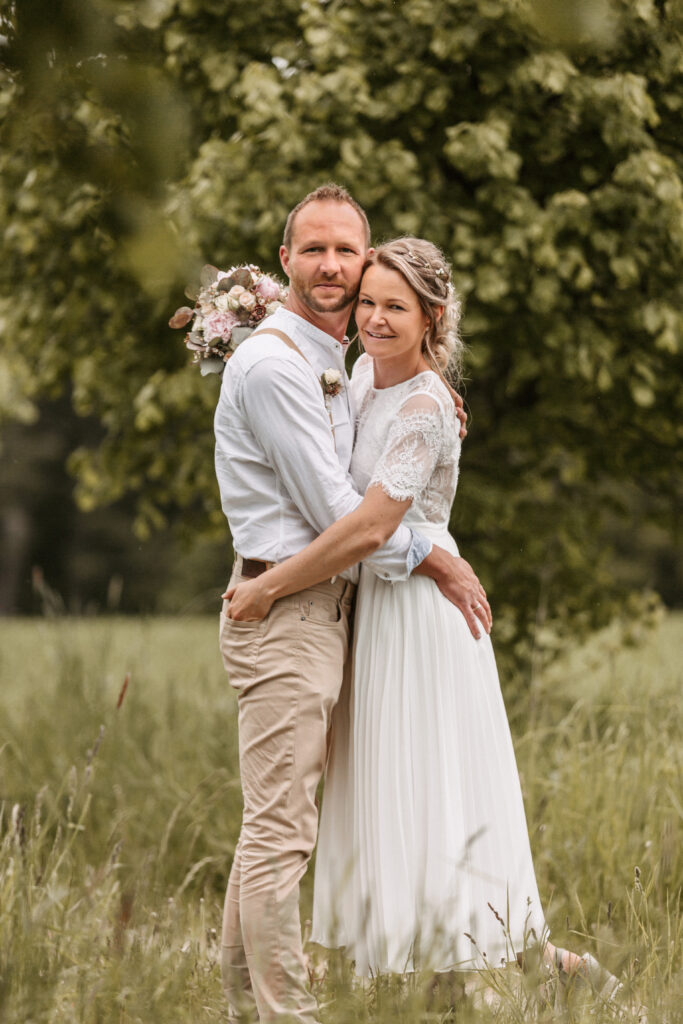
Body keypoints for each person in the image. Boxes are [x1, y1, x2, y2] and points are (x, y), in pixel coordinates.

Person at [225, 237, 631, 1009]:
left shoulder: (424, 407)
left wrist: (267, 586)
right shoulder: (357, 380)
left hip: (417, 617)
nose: (375, 319)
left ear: (430, 318)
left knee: (436, 794)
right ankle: (428, 989)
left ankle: (553, 970)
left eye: (396, 307)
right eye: (367, 302)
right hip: (373, 610)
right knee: (389, 795)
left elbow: (369, 528)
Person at [215, 186, 490, 1024]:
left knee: (274, 825)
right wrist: (435, 557)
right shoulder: (276, 366)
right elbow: (345, 513)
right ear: (285, 259)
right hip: (286, 603)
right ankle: (286, 1013)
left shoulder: (344, 363)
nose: (333, 268)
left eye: (346, 252)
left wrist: (428, 398)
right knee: (280, 832)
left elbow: (400, 412)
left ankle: (246, 1005)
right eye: (315, 250)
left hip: (328, 603)